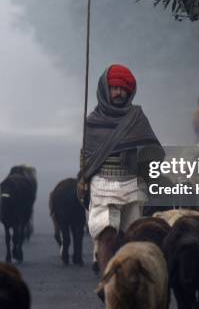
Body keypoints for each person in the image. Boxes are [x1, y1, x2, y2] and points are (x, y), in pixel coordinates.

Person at [77, 64, 164, 275]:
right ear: (106, 90)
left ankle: (129, 280)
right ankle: (108, 282)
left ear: (129, 90)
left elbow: (154, 151)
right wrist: (83, 177)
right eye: (114, 88)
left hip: (133, 184)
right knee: (106, 232)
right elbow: (87, 157)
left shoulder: (137, 118)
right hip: (102, 183)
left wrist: (145, 164)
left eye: (122, 88)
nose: (118, 93)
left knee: (132, 237)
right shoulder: (93, 122)